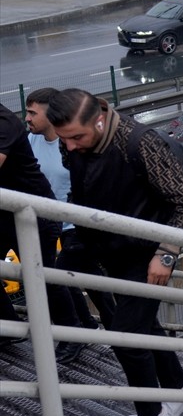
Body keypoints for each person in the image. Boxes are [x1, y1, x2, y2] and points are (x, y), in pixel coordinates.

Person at [46, 89, 183, 416]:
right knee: (141, 324)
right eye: (64, 139)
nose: (69, 146)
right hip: (107, 245)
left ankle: (151, 414)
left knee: (126, 335)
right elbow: (84, 185)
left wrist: (166, 253)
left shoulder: (139, 143)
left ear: (100, 120)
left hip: (146, 253)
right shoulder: (75, 142)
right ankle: (178, 388)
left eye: (76, 137)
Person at [24, 89, 115, 359]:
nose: (27, 118)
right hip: (48, 221)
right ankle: (104, 328)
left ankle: (89, 330)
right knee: (86, 278)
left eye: (32, 112)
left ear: (51, 113)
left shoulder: (70, 144)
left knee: (60, 274)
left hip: (76, 223)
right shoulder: (30, 140)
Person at [0, 103, 81, 358]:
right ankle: (8, 327)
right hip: (5, 214)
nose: (27, 118)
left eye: (32, 112)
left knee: (42, 276)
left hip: (35, 214)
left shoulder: (4, 123)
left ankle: (73, 335)